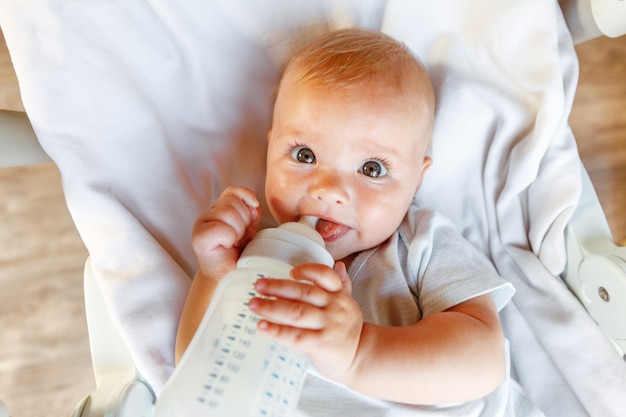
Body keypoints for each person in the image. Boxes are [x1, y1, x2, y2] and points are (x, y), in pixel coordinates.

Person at [175, 28, 535, 416]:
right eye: (304, 154)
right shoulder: (260, 259)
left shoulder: (419, 244)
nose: (328, 190)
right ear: (269, 148)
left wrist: (359, 353)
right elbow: (199, 372)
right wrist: (216, 275)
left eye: (371, 167)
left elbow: (483, 359)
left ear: (416, 179)